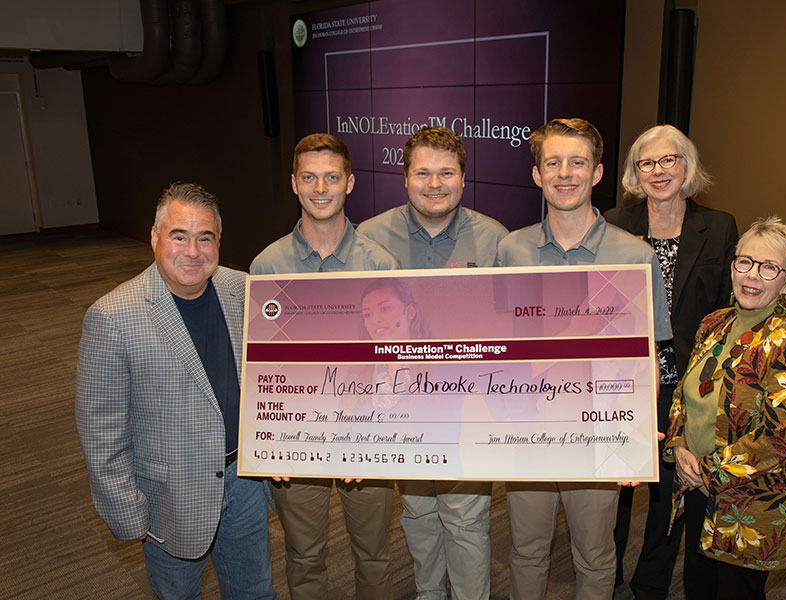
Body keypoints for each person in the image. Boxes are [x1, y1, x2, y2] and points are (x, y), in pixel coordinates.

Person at [496, 118, 673, 600]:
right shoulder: (510, 251)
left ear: (597, 173)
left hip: (596, 431)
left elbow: (647, 356)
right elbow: (498, 348)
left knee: (595, 557)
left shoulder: (633, 257)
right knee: (527, 549)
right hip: (528, 428)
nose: (565, 173)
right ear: (536, 174)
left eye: (578, 162)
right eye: (552, 162)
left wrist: (634, 439)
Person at [75, 182, 276, 599]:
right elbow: (101, 431)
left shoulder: (243, 289)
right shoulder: (113, 316)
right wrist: (130, 514)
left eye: (205, 238)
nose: (192, 250)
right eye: (178, 236)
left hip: (246, 482)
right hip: (170, 499)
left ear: (219, 242)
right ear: (154, 237)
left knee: (254, 591)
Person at [357, 126, 507, 600]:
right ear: (405, 178)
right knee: (419, 513)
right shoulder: (370, 239)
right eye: (423, 172)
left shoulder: (494, 241)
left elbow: (511, 332)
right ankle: (428, 593)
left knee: (466, 516)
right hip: (401, 406)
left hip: (466, 406)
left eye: (446, 172)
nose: (435, 183)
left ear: (464, 178)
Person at [250, 133, 399, 600]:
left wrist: (372, 435)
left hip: (368, 433)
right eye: (310, 177)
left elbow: (397, 365)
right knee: (303, 556)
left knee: (373, 555)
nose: (320, 188)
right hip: (298, 438)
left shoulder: (382, 265)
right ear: (294, 184)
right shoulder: (268, 266)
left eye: (331, 177)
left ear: (349, 183)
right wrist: (269, 443)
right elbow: (260, 368)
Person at [605, 124, 738, 599]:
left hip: (684, 386)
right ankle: (608, 578)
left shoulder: (719, 227)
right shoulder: (614, 222)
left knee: (668, 493)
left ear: (687, 166)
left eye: (669, 160)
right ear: (634, 173)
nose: (658, 172)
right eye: (647, 163)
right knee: (614, 493)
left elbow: (727, 309)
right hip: (622, 382)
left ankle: (648, 585)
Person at [664, 216, 786, 600]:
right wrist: (680, 445)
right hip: (696, 483)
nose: (752, 275)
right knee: (698, 585)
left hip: (750, 503)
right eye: (745, 261)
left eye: (769, 268)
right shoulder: (713, 323)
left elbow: (775, 439)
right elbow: (685, 394)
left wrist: (705, 472)